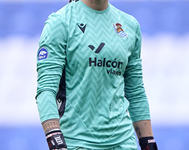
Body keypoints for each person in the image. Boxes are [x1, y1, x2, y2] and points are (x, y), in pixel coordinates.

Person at [36, 0, 158, 150]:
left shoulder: (130, 25)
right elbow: (46, 89)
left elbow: (135, 91)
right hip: (77, 143)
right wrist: (55, 139)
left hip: (124, 142)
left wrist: (148, 142)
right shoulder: (61, 22)